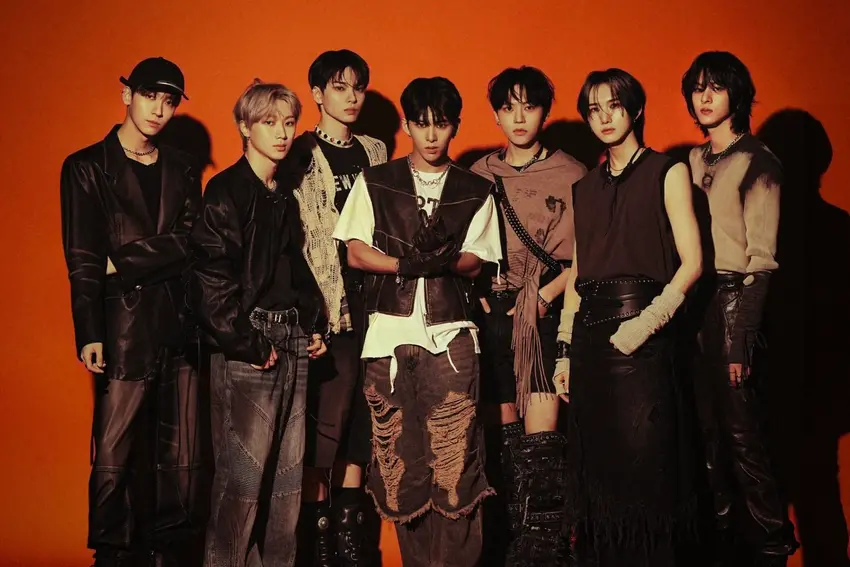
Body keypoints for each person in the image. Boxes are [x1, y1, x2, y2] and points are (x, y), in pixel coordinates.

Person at [333, 76, 502, 567]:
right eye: (421, 124)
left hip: (452, 338)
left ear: (455, 127)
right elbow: (355, 251)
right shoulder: (376, 180)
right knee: (400, 469)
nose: (431, 135)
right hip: (387, 340)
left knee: (455, 465)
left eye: (441, 124)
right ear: (407, 125)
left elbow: (477, 260)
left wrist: (446, 259)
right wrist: (405, 264)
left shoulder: (475, 189)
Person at [554, 68, 703, 566]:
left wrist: (648, 323)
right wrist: (564, 349)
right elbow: (578, 272)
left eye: (613, 106)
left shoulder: (667, 170)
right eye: (593, 110)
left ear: (635, 109)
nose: (604, 118)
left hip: (644, 333)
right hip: (591, 339)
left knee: (647, 472)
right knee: (599, 477)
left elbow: (693, 262)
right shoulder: (584, 186)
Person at [59, 56, 204, 567]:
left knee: (181, 451)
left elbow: (193, 241)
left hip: (179, 322)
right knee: (114, 449)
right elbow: (82, 257)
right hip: (120, 325)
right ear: (127, 95)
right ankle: (112, 552)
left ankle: (169, 549)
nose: (158, 109)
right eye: (149, 96)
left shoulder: (184, 167)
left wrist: (121, 261)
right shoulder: (86, 167)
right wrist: (89, 332)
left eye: (169, 101)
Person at [190, 80, 328, 567]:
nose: (283, 133)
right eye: (269, 122)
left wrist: (312, 323)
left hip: (291, 339)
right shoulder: (226, 190)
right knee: (241, 487)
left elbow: (293, 266)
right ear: (245, 128)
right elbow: (210, 279)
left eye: (288, 122)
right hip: (251, 343)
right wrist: (248, 343)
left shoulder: (281, 196)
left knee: (287, 486)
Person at [681, 51, 799, 567]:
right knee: (704, 437)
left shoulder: (759, 162)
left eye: (716, 87)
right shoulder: (690, 161)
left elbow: (763, 263)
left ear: (737, 94)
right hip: (694, 303)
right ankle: (721, 550)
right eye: (697, 88)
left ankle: (772, 548)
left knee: (743, 438)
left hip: (734, 301)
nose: (705, 98)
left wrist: (741, 340)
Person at [470, 65, 586, 566]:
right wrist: (476, 296)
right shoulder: (477, 174)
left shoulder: (574, 173)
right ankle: (507, 551)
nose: (519, 118)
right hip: (492, 315)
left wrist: (547, 295)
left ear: (544, 112)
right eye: (508, 107)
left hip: (543, 314)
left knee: (543, 448)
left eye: (529, 106)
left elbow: (590, 254)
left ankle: (544, 555)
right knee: (503, 446)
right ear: (496, 115)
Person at [287, 49, 387, 567]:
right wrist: (307, 315)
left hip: (377, 308)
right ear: (317, 94)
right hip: (329, 310)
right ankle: (318, 542)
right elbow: (295, 241)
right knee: (324, 425)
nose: (351, 98)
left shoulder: (375, 150)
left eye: (358, 88)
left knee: (362, 426)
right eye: (340, 87)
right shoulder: (298, 153)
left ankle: (351, 539)